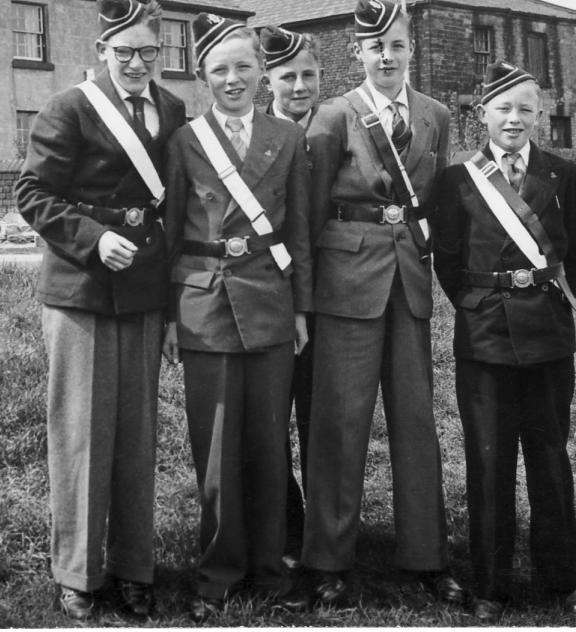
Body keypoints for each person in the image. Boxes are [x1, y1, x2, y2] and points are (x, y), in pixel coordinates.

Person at [14, 0, 186, 620]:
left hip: (142, 289)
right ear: (101, 52)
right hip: (83, 289)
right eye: (124, 53)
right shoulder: (69, 107)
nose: (137, 64)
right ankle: (79, 573)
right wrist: (91, 238)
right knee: (83, 433)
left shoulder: (171, 108)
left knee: (136, 434)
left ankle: (134, 565)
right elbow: (31, 192)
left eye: (149, 52)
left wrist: (169, 304)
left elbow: (170, 206)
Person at [300, 0, 464, 608]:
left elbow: (436, 203)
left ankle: (426, 557)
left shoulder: (436, 115)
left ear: (410, 48)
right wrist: (307, 296)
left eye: (395, 45)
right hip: (346, 282)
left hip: (409, 281)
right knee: (341, 424)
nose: (386, 56)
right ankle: (328, 561)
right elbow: (310, 215)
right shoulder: (333, 115)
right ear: (358, 54)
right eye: (375, 48)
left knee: (417, 423)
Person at [161, 12, 313, 623]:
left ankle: (271, 568)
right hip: (205, 304)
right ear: (203, 76)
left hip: (272, 301)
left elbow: (298, 228)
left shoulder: (288, 137)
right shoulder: (184, 142)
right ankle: (219, 572)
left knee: (270, 444)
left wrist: (301, 307)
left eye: (244, 67)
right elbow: (171, 231)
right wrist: (171, 316)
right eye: (220, 69)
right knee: (217, 448)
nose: (233, 79)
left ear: (261, 73)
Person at [431, 60, 576, 624]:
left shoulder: (561, 174)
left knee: (550, 460)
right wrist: (478, 305)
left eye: (526, 108)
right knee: (489, 462)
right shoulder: (456, 180)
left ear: (540, 115)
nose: (515, 118)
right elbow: (448, 260)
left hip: (549, 339)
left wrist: (542, 299)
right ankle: (490, 585)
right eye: (503, 108)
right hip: (485, 340)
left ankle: (560, 581)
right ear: (483, 116)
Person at [259, 24, 322, 568]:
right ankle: (285, 528)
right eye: (287, 77)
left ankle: (325, 539)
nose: (298, 87)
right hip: (275, 298)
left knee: (321, 420)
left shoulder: (339, 128)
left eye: (307, 75)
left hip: (337, 298)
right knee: (273, 417)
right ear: (268, 81)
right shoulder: (255, 135)